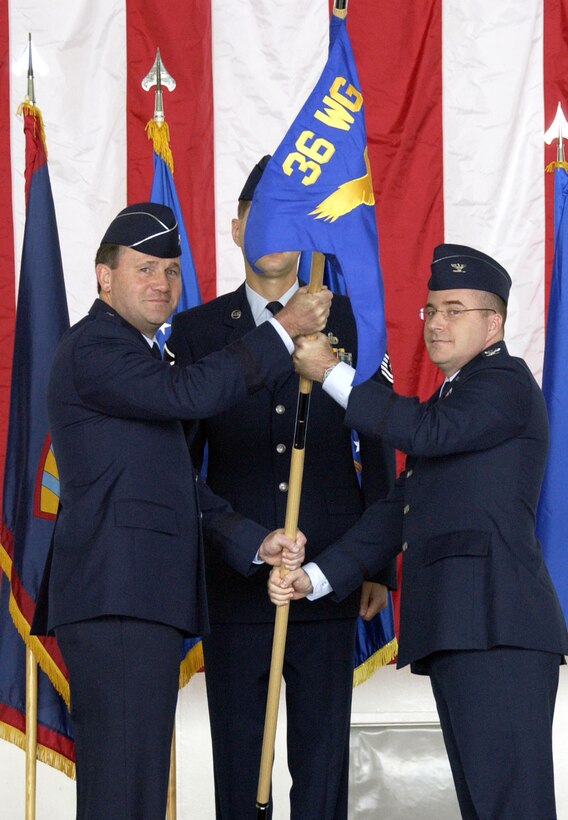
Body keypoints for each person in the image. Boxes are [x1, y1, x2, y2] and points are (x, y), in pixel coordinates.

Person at [30, 202, 332, 820]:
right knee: (122, 790)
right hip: (118, 596)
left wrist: (254, 541)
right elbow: (191, 393)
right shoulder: (95, 347)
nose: (162, 283)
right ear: (103, 277)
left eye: (170, 270)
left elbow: (175, 487)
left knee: (135, 785)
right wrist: (282, 329)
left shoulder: (143, 354)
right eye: (144, 269)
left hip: (137, 598)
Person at [270, 243, 568, 820]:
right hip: (466, 629)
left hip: (496, 627)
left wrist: (331, 371)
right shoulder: (454, 401)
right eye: (432, 310)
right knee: (488, 804)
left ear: (494, 323)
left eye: (455, 309)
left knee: (511, 805)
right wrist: (315, 577)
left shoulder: (503, 381)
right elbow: (395, 513)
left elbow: (423, 432)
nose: (436, 322)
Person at [166, 157, 396, 820]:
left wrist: (378, 564)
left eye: (287, 220)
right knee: (242, 768)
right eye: (258, 219)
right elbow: (181, 464)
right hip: (236, 577)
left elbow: (377, 442)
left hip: (330, 566)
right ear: (236, 229)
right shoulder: (196, 331)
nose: (272, 233)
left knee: (323, 769)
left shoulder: (353, 322)